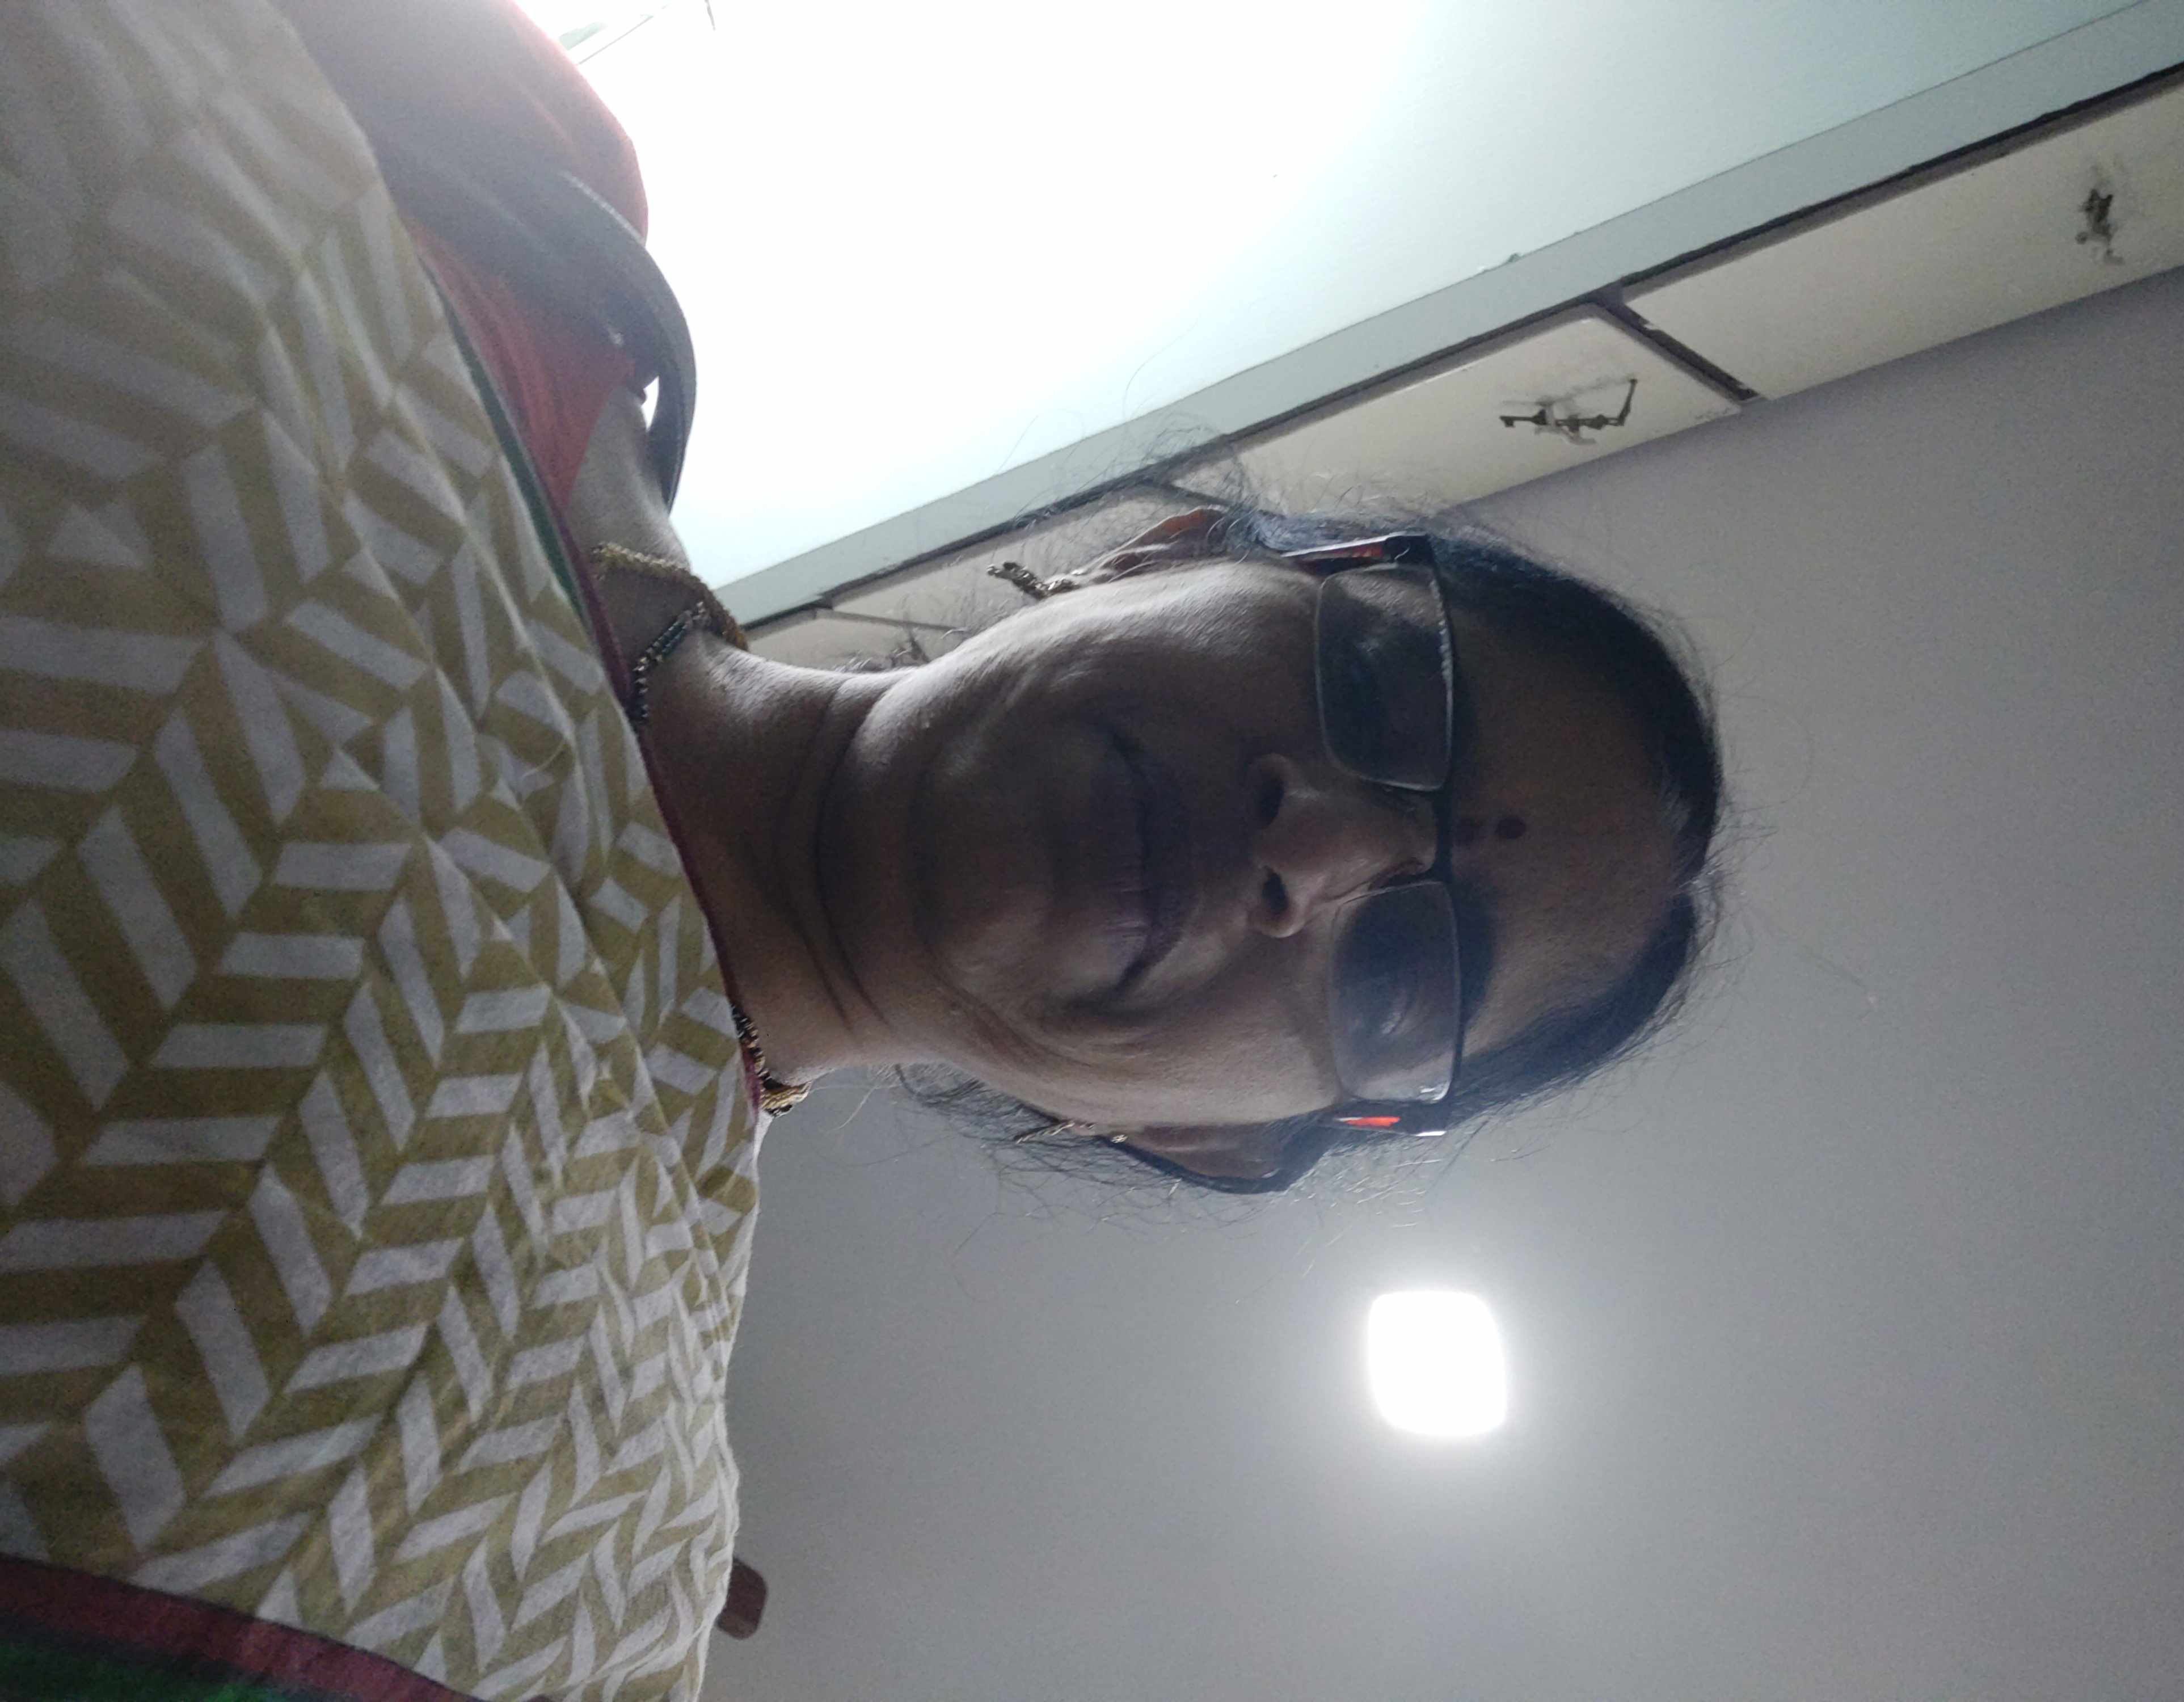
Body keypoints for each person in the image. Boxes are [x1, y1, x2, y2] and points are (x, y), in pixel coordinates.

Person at [0, 3, 1721, 1699]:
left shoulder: (568, 1570)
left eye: (1405, 973)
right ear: (1174, 553)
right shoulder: (548, 199)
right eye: (1389, 689)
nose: (1318, 849)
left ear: (1202, 1136)